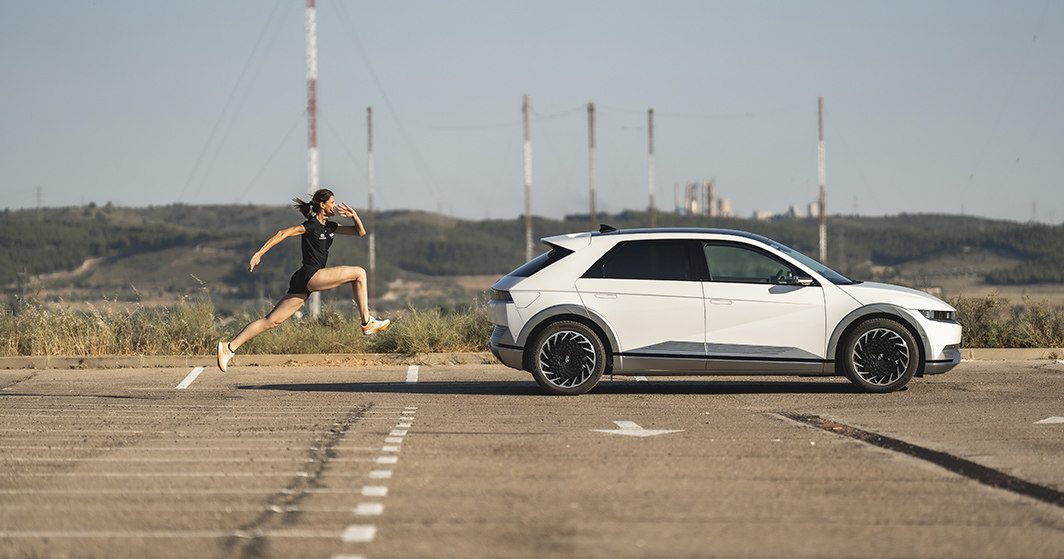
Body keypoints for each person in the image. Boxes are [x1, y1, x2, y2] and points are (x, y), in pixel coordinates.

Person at [217, 189, 389, 372]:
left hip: (304, 281)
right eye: (332, 202)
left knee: (272, 321)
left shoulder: (331, 226)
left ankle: (228, 347)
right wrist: (260, 253)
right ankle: (366, 322)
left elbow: (359, 232)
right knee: (360, 273)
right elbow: (282, 233)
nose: (335, 205)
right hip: (310, 274)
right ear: (322, 204)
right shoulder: (311, 225)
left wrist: (354, 216)